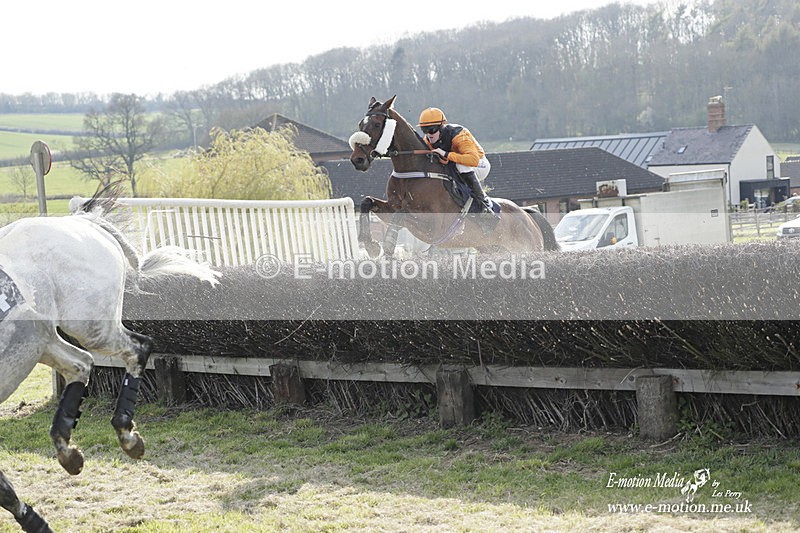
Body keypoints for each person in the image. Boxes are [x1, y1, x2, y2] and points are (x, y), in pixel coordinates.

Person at [418, 107, 498, 226]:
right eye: (424, 130)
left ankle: (484, 205)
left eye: (431, 130)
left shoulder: (459, 134)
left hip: (480, 164)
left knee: (461, 165)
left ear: (441, 126)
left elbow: (473, 159)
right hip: (456, 166)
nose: (429, 135)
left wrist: (446, 154)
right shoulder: (428, 140)